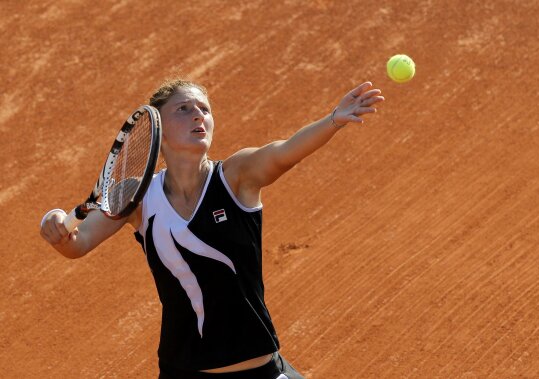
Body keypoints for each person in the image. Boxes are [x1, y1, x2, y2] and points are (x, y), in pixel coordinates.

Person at [39, 79, 385, 378]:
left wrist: (333, 121)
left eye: (204, 109)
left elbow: (285, 152)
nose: (198, 115)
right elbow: (77, 243)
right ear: (158, 131)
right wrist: (55, 225)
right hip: (183, 371)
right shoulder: (138, 196)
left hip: (259, 371)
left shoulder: (236, 176)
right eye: (184, 109)